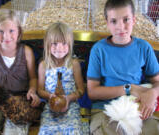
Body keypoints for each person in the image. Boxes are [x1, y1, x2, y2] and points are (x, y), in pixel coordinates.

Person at [87, 0, 159, 134]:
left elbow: (157, 81)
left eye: (126, 19)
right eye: (114, 21)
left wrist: (152, 93)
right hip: (105, 109)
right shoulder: (98, 50)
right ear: (107, 23)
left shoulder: (144, 47)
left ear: (134, 20)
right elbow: (92, 92)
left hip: (136, 106)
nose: (121, 27)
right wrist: (129, 88)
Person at [0, 9, 40, 135]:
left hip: (20, 103)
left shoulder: (26, 52)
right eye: (1, 31)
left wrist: (32, 90)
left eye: (11, 31)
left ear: (19, 32)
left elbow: (33, 77)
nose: (6, 36)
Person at [37, 22, 86, 135]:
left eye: (64, 44)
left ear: (70, 45)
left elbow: (81, 90)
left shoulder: (74, 64)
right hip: (50, 108)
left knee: (74, 131)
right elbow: (40, 90)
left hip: (71, 107)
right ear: (47, 45)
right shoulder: (43, 65)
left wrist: (68, 99)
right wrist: (50, 96)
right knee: (45, 131)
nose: (59, 48)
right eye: (54, 43)